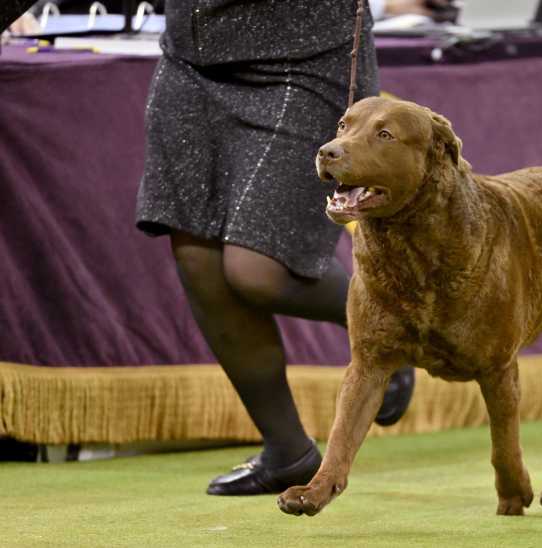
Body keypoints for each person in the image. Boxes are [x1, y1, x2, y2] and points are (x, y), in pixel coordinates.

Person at [1, 0, 418, 495]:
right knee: (197, 255)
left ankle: (393, 330)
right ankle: (286, 450)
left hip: (305, 57)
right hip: (191, 62)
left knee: (259, 271)